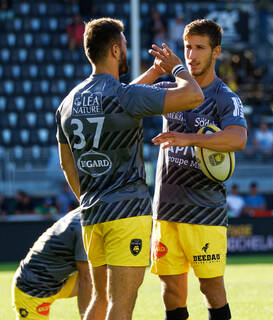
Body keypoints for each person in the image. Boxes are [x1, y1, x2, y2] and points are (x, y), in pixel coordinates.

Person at [55, 17, 203, 320]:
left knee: (98, 301)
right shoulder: (125, 96)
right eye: (124, 46)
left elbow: (67, 164)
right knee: (121, 306)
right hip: (128, 212)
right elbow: (193, 95)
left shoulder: (68, 102)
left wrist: (87, 198)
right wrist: (176, 68)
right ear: (113, 50)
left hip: (92, 214)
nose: (126, 50)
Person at [135, 19, 247, 320]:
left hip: (204, 213)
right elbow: (123, 99)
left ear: (216, 52)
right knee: (170, 293)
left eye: (200, 48)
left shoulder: (225, 97)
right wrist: (156, 71)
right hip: (166, 212)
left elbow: (238, 138)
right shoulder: (172, 89)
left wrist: (189, 138)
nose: (191, 55)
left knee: (211, 290)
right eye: (187, 47)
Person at [12, 208, 91, 319]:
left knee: (107, 277)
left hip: (59, 283)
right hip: (32, 289)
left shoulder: (86, 212)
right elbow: (86, 278)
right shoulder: (84, 224)